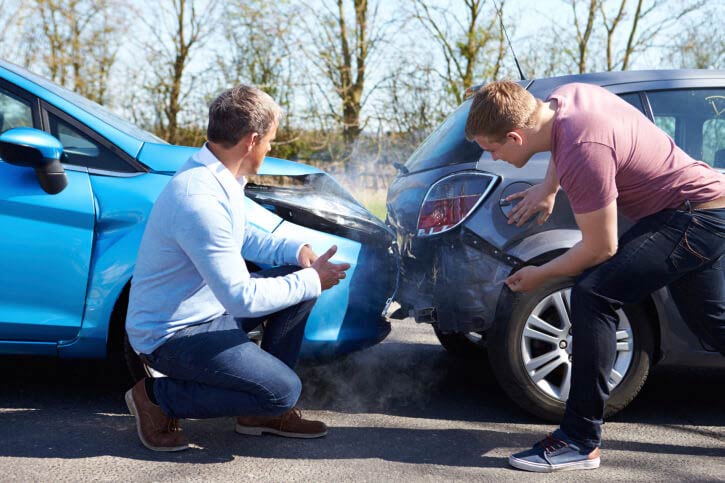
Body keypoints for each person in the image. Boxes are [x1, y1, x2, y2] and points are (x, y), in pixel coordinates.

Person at [465, 80, 725, 472]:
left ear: (516, 136)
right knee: (713, 325)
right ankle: (579, 437)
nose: (495, 158)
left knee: (593, 294)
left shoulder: (583, 149)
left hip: (693, 217)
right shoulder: (566, 99)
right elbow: (561, 139)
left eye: (494, 149)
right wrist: (549, 188)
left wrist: (542, 275)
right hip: (704, 206)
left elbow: (601, 248)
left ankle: (579, 439)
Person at [124, 85, 350, 452]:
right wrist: (311, 280)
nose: (270, 149)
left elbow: (242, 235)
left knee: (296, 286)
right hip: (172, 334)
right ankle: (157, 398)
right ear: (252, 140)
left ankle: (258, 411)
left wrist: (297, 251)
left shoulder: (218, 176)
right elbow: (242, 298)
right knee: (284, 390)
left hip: (208, 311)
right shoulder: (198, 198)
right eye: (271, 142)